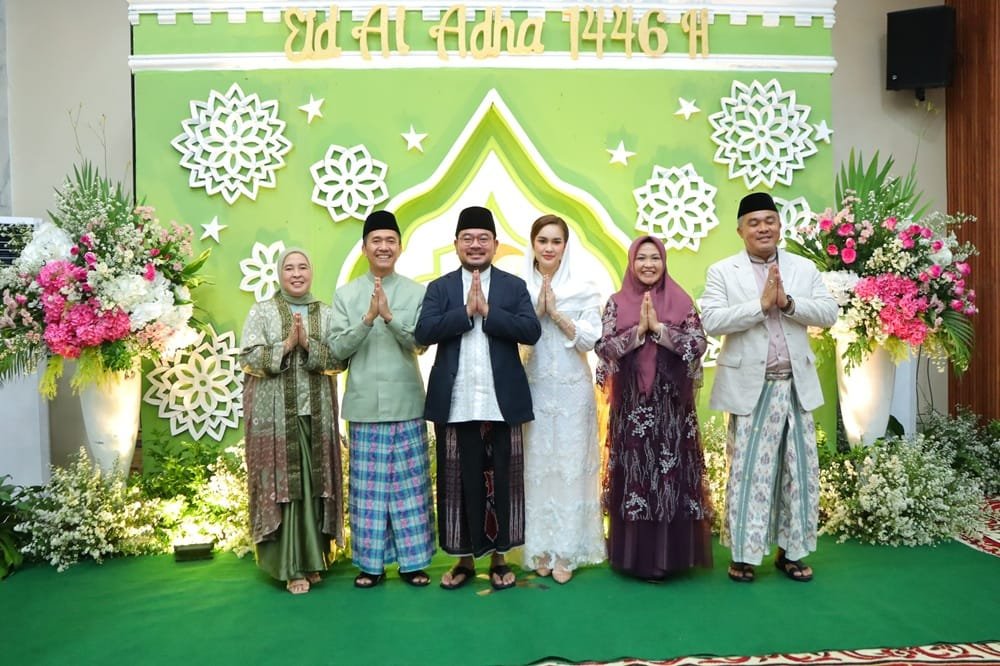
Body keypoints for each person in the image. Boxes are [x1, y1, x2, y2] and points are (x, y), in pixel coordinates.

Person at [701, 192, 838, 584]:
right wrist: (759, 306)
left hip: (796, 385)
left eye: (769, 221)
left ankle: (791, 553)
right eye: (754, 222)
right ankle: (744, 556)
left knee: (800, 472)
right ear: (740, 230)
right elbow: (711, 319)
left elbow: (828, 312)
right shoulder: (723, 271)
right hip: (752, 387)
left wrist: (789, 302)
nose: (763, 228)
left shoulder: (802, 268)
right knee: (749, 474)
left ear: (779, 225)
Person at [414, 205, 541, 591]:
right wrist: (465, 313)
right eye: (467, 238)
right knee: (458, 484)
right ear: (455, 245)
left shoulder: (513, 286)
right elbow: (424, 331)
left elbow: (531, 330)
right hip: (456, 403)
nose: (475, 245)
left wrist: (489, 311)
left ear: (495, 245)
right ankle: (464, 560)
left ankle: (501, 559)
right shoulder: (439, 288)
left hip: (500, 404)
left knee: (502, 481)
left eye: (482, 238)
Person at [594, 235, 713, 580]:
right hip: (632, 406)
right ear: (631, 263)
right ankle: (637, 558)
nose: (648, 264)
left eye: (655, 258)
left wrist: (659, 331)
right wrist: (636, 333)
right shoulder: (616, 302)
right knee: (636, 476)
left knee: (670, 477)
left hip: (672, 407)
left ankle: (669, 557)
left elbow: (699, 343)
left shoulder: (681, 300)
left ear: (664, 262)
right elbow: (604, 347)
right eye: (641, 258)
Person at [329, 211, 436, 589]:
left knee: (410, 488)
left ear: (400, 247)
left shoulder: (417, 292)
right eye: (376, 240)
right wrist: (366, 319)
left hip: (406, 401)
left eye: (391, 240)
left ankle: (413, 563)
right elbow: (337, 351)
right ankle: (370, 566)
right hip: (363, 405)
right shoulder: (345, 295)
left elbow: (421, 343)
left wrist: (389, 318)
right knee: (368, 492)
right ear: (364, 248)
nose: (384, 247)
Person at [240, 247, 344, 594]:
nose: (296, 273)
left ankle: (314, 560)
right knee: (285, 489)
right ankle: (289, 566)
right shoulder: (263, 310)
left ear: (311, 272)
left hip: (317, 414)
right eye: (289, 268)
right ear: (279, 273)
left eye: (303, 267)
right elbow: (248, 358)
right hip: (275, 418)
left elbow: (338, 361)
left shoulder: (326, 313)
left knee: (314, 487)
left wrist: (309, 346)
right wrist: (285, 346)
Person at [520, 214, 606, 584]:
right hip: (535, 386)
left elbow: (591, 341)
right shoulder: (517, 287)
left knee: (571, 467)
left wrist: (556, 313)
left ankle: (567, 551)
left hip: (573, 389)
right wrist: (536, 310)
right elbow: (513, 339)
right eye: (543, 241)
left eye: (556, 241)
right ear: (533, 245)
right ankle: (539, 547)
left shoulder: (585, 288)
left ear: (565, 246)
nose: (549, 248)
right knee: (537, 466)